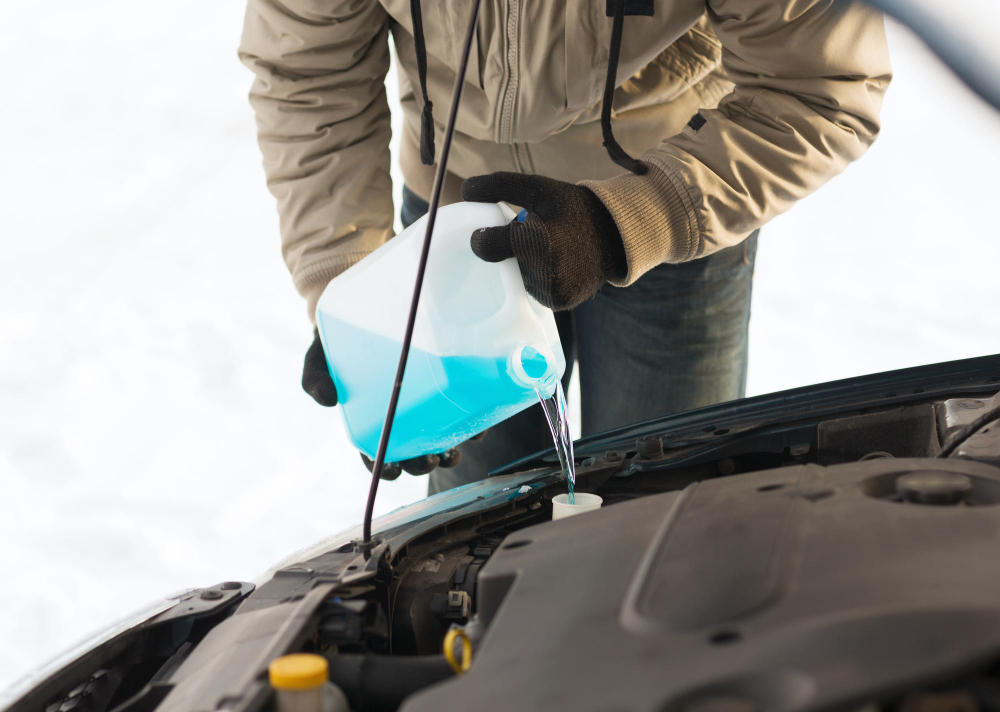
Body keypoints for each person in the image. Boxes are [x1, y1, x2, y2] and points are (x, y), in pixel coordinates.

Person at [240, 0, 891, 494]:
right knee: (477, 537)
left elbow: (822, 87)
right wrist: (356, 299)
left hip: (672, 217)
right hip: (453, 234)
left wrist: (628, 221)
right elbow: (307, 75)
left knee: (663, 521)